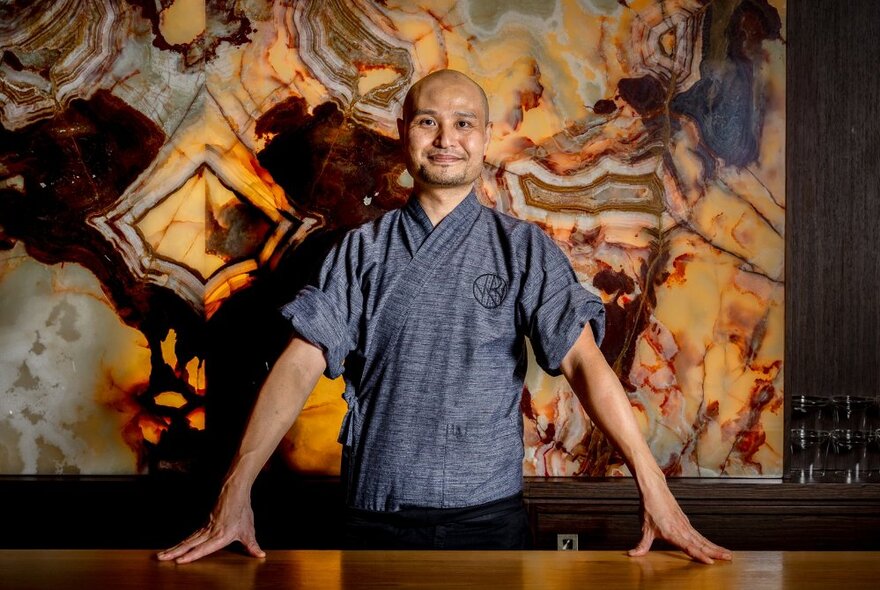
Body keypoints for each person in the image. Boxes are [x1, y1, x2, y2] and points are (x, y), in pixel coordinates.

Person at [158, 69, 732, 564]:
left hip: (487, 519)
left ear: (485, 139)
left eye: (463, 123)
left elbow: (584, 362)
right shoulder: (361, 250)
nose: (445, 138)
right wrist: (236, 488)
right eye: (427, 121)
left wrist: (652, 486)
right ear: (403, 133)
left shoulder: (523, 249)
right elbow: (299, 364)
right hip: (373, 514)